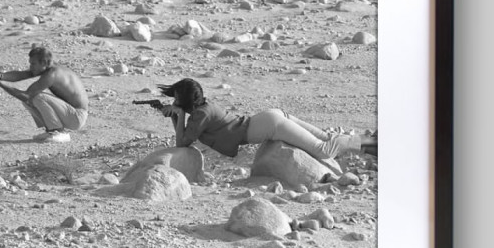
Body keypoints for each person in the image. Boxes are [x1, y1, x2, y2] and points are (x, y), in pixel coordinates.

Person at [157, 78, 376, 165]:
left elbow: (181, 143)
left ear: (185, 100)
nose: (174, 100)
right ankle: (369, 143)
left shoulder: (200, 115)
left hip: (271, 125)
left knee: (324, 149)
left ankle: (371, 144)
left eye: (176, 98)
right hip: (269, 118)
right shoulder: (203, 109)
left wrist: (178, 115)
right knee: (327, 139)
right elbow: (185, 135)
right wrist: (176, 115)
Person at [0, 45, 88, 143]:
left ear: (43, 62)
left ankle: (58, 132)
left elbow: (27, 95)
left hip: (77, 117)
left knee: (36, 97)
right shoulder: (48, 68)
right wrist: (0, 76)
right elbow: (23, 75)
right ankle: (51, 131)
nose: (30, 67)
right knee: (29, 101)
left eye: (33, 64)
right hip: (71, 114)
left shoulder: (52, 74)